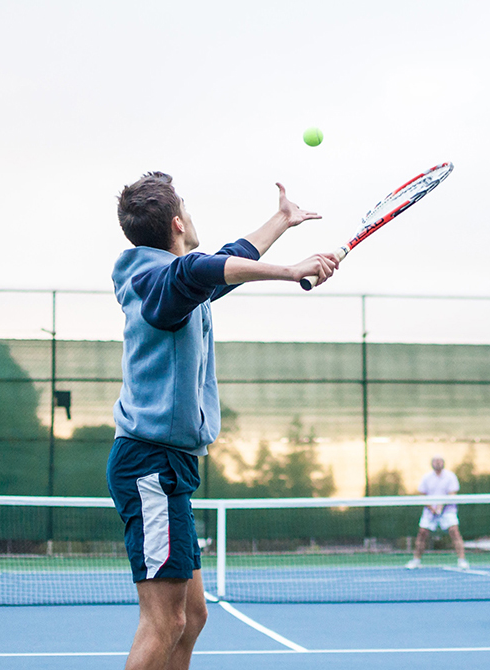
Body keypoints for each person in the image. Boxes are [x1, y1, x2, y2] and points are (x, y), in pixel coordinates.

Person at [106, 172, 339, 670]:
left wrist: (281, 220)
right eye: (186, 209)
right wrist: (292, 270)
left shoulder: (171, 282)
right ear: (176, 223)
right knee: (163, 622)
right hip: (150, 464)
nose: (192, 217)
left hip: (170, 465)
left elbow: (221, 263)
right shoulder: (159, 282)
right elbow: (201, 269)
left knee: (192, 615)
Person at [406, 455, 469, 570]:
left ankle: (462, 560)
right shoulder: (426, 477)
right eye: (436, 461)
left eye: (440, 461)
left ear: (443, 463)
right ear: (432, 463)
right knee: (422, 533)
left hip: (448, 510)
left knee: (454, 531)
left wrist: (441, 506)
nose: (438, 463)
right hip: (430, 511)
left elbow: (452, 493)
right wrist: (432, 508)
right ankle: (416, 560)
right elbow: (422, 495)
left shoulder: (450, 476)